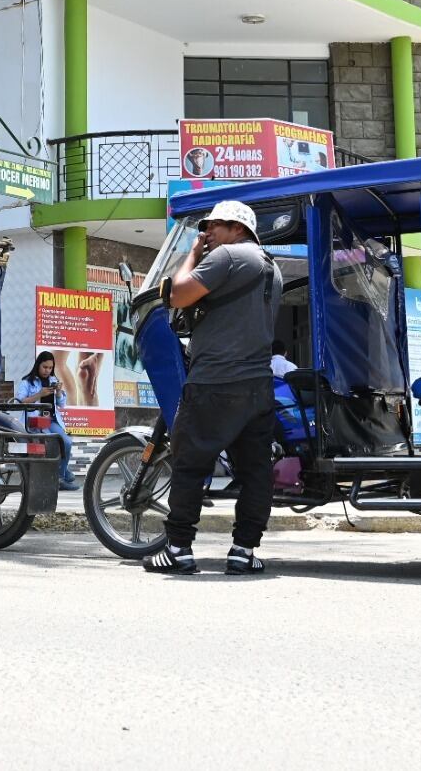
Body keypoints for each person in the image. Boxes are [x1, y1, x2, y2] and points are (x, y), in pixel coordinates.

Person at [144, 200, 280, 576]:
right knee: (255, 472)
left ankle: (177, 549)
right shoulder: (271, 266)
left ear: (238, 228)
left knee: (189, 465)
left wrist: (191, 254)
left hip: (214, 383)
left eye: (214, 226)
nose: (206, 233)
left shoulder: (228, 258)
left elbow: (175, 295)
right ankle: (243, 551)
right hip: (257, 386)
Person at [17, 352, 79, 492]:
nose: (47, 370)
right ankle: (60, 477)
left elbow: (61, 404)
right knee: (51, 444)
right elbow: (21, 402)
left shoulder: (53, 380)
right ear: (38, 365)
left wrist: (58, 392)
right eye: (45, 367)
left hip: (51, 420)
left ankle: (61, 476)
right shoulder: (28, 382)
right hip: (36, 422)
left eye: (50, 368)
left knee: (67, 442)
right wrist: (39, 394)